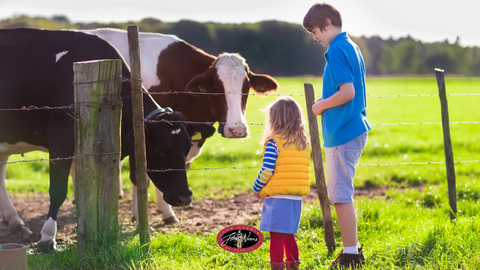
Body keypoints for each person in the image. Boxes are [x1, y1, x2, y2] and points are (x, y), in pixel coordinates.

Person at [303, 2, 372, 269]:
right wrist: (327, 99)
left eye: (315, 31)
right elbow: (343, 90)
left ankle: (351, 255)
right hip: (351, 127)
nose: (314, 37)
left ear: (328, 23)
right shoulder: (351, 46)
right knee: (341, 194)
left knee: (340, 196)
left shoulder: (336, 49)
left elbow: (348, 93)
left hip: (343, 131)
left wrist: (319, 105)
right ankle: (352, 250)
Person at [252, 96, 311, 270]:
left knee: (276, 237)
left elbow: (267, 170)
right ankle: (293, 266)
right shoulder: (302, 143)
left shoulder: (274, 142)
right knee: (289, 236)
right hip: (295, 198)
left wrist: (257, 187)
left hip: (278, 199)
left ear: (274, 119)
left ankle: (276, 267)